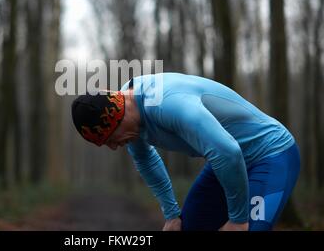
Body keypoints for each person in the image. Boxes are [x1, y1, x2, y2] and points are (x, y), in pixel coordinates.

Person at [71, 73, 300, 231]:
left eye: (111, 138)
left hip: (270, 154)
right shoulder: (123, 106)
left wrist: (238, 220)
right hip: (223, 161)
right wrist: (171, 215)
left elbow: (228, 152)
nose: (114, 147)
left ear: (119, 116)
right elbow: (146, 160)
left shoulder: (168, 104)